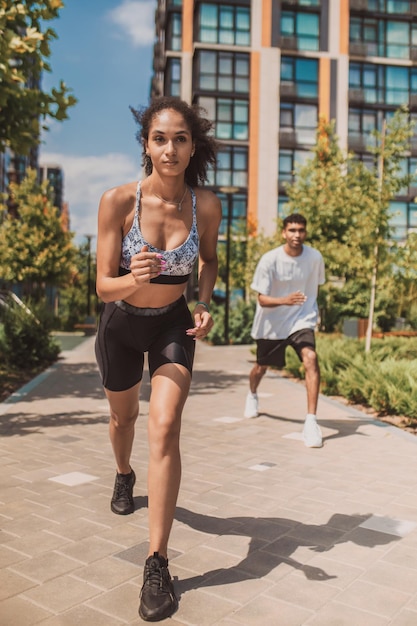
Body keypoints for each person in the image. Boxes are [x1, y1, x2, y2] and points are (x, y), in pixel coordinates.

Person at [95, 96, 221, 621]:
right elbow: (103, 287)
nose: (170, 149)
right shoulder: (119, 201)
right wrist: (134, 278)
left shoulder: (205, 206)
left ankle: (156, 562)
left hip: (172, 324)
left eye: (181, 139)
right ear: (146, 145)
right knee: (125, 417)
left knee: (165, 427)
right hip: (122, 325)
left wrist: (207, 301)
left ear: (194, 147)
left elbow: (209, 261)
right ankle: (124, 474)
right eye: (160, 138)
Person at [244, 213, 325, 448]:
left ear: (305, 232)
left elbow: (315, 287)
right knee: (261, 368)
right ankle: (252, 394)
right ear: (283, 233)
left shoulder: (315, 257)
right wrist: (285, 300)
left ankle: (311, 422)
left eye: (300, 230)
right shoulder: (270, 260)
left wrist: (310, 312)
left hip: (302, 320)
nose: (296, 235)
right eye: (292, 230)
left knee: (311, 358)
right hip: (272, 323)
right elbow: (261, 299)